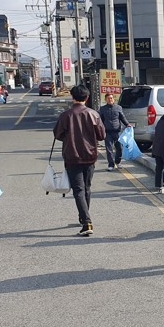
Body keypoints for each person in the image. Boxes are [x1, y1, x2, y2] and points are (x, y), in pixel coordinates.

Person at [53, 85, 106, 236]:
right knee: (87, 188)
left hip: (72, 156)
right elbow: (102, 135)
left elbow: (57, 134)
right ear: (87, 98)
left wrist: (68, 139)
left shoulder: (66, 115)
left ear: (72, 97)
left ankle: (86, 221)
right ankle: (84, 216)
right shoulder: (93, 114)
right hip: (90, 155)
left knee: (78, 190)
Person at [98, 93, 132, 171]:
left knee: (119, 148)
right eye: (108, 98)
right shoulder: (102, 109)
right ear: (105, 99)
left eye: (111, 98)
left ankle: (118, 162)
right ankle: (111, 165)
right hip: (107, 132)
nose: (110, 100)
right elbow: (100, 120)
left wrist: (127, 124)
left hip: (117, 132)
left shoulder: (118, 108)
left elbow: (122, 117)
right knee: (109, 149)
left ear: (113, 99)